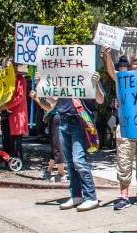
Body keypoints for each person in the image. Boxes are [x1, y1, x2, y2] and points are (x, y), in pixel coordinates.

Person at [33, 71, 105, 211]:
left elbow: (100, 100)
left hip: (80, 123)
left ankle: (91, 197)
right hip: (64, 121)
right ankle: (76, 196)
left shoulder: (90, 76)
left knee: (78, 160)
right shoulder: (63, 79)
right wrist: (40, 84)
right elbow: (53, 100)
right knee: (70, 162)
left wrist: (96, 83)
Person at [99, 47, 137, 210]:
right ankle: (124, 196)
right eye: (135, 63)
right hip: (127, 129)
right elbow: (112, 71)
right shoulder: (123, 79)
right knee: (124, 162)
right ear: (131, 65)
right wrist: (108, 55)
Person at [29, 91, 65, 182]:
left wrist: (40, 96)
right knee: (54, 146)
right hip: (53, 116)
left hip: (57, 116)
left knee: (57, 146)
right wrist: (37, 98)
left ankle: (61, 174)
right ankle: (49, 170)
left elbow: (51, 104)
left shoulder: (54, 88)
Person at [0, 57, 27, 164]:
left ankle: (16, 161)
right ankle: (7, 159)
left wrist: (7, 106)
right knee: (6, 138)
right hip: (5, 113)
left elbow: (21, 96)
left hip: (16, 114)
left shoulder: (20, 79)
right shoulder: (4, 78)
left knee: (15, 140)